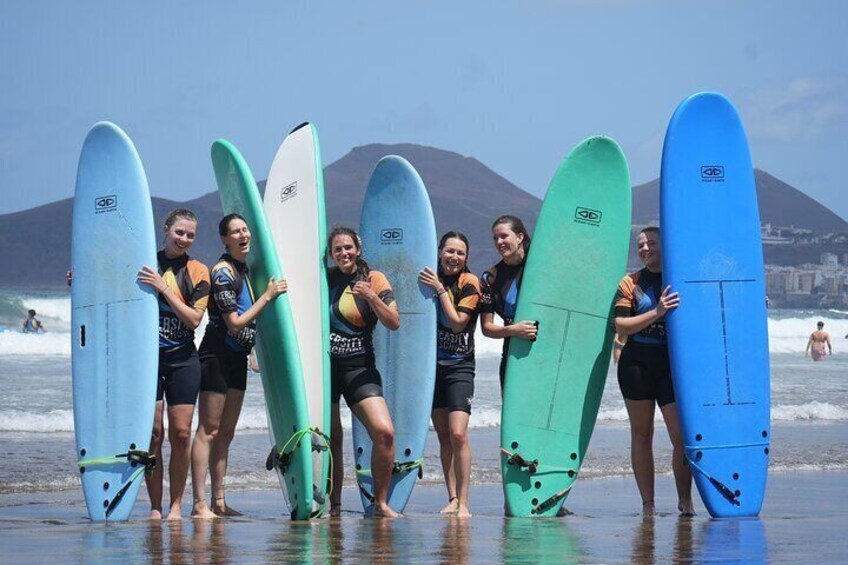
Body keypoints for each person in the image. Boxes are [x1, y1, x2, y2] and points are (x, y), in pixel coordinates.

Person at [189, 214, 287, 519]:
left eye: (246, 230)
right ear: (224, 238)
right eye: (236, 231)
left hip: (237, 358)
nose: (243, 234)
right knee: (209, 430)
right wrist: (269, 296)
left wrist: (255, 350)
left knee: (227, 433)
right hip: (216, 355)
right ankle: (199, 504)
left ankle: (219, 501)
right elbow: (234, 323)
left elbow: (249, 317)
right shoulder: (222, 272)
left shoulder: (245, 270)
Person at [613, 226, 694, 516]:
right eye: (641, 244)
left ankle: (686, 501)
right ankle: (648, 505)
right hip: (637, 363)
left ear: (665, 245)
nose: (644, 248)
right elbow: (621, 325)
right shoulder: (630, 282)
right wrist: (657, 312)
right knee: (642, 435)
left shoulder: (683, 277)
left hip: (673, 366)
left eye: (651, 243)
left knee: (681, 437)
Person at [136, 209, 210, 520]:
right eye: (179, 232)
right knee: (154, 433)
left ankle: (177, 505)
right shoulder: (144, 262)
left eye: (190, 235)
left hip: (182, 359)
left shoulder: (198, 271)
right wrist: (79, 281)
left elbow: (194, 319)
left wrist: (163, 288)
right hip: (147, 361)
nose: (184, 239)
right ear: (166, 230)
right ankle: (155, 506)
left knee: (181, 434)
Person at [326, 226, 400, 518]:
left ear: (358, 248)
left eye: (348, 247)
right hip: (325, 369)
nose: (344, 253)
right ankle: (334, 505)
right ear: (331, 254)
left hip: (359, 367)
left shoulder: (374, 278)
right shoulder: (325, 279)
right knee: (332, 438)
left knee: (384, 433)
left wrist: (371, 296)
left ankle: (380, 503)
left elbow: (394, 321)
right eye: (337, 249)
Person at [418, 231, 481, 518]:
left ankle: (465, 502)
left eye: (460, 253)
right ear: (440, 251)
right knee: (444, 436)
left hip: (459, 366)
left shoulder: (470, 283)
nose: (454, 257)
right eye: (449, 251)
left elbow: (457, 324)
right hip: (432, 368)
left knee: (458, 434)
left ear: (466, 258)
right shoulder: (427, 281)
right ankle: (452, 497)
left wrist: (441, 291)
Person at [479, 215, 538, 387]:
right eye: (495, 238)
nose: (499, 242)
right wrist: (513, 330)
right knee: (514, 411)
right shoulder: (490, 278)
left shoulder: (540, 262)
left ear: (520, 237)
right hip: (513, 351)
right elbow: (487, 328)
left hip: (547, 349)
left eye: (504, 236)